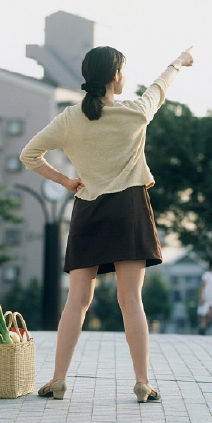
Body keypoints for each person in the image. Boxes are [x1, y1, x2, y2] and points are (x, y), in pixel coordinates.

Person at [20, 45, 194, 403]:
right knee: (131, 300)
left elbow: (29, 155)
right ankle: (142, 381)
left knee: (77, 300)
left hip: (89, 211)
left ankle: (57, 379)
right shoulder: (135, 113)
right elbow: (159, 87)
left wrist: (65, 181)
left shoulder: (70, 118)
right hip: (129, 209)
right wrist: (178, 62)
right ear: (116, 75)